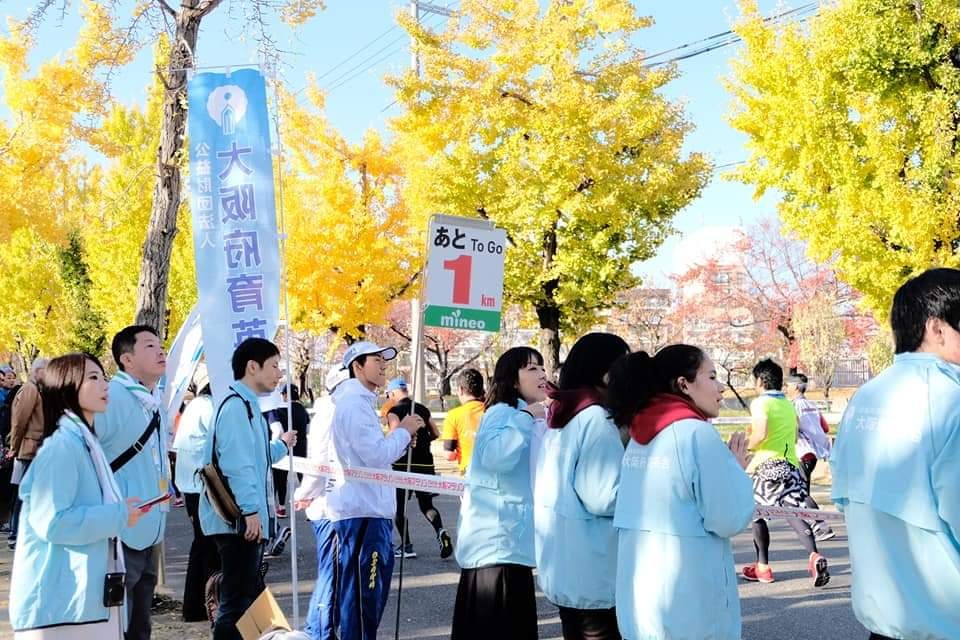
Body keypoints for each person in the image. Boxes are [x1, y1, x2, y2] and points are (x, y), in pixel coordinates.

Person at [832, 268, 960, 640]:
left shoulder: (864, 398)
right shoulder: (951, 400)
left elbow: (844, 496)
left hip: (883, 619)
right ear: (937, 328)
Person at [607, 345, 754, 640]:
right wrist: (735, 472)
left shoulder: (639, 436)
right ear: (683, 384)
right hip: (692, 603)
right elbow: (727, 519)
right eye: (711, 376)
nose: (721, 387)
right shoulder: (697, 434)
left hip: (641, 600)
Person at [9, 353, 144, 639]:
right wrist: (118, 515)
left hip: (80, 602)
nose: (104, 385)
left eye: (103, 377)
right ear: (67, 386)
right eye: (93, 378)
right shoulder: (62, 448)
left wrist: (119, 512)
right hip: (62, 607)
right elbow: (53, 522)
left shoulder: (83, 442)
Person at [199, 338, 297, 640]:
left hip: (242, 520)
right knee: (237, 603)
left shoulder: (246, 405)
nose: (279, 374)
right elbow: (237, 466)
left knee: (248, 599)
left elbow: (255, 457)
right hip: (238, 521)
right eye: (274, 366)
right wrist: (251, 512)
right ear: (252, 367)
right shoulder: (236, 407)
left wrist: (281, 446)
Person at [324, 341, 422, 640]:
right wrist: (403, 431)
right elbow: (376, 455)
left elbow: (376, 453)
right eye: (376, 360)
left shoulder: (359, 401)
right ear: (357, 366)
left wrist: (401, 438)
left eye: (384, 360)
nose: (383, 365)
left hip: (367, 511)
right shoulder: (354, 403)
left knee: (364, 597)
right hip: (363, 512)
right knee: (363, 598)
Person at [534, 333, 629, 640]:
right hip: (593, 571)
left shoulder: (565, 414)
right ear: (606, 375)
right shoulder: (597, 419)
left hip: (565, 565)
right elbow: (603, 497)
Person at [451, 347, 548, 640]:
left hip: (507, 547)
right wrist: (526, 417)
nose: (542, 374)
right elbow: (496, 458)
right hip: (497, 548)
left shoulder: (521, 413)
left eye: (542, 367)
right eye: (532, 368)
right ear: (513, 380)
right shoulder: (504, 412)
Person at [95, 325, 171, 640]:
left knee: (140, 619)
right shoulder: (112, 396)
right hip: (122, 526)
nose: (161, 351)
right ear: (126, 359)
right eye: (150, 346)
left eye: (160, 345)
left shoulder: (152, 398)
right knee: (119, 619)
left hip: (150, 523)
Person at [744, 358, 829, 587]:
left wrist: (747, 446)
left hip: (766, 466)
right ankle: (814, 556)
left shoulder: (761, 403)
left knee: (758, 514)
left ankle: (763, 566)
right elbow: (793, 435)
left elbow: (760, 434)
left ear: (760, 381)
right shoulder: (788, 405)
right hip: (790, 465)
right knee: (794, 513)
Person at [295, 366, 350, 640]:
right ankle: (320, 631)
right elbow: (319, 462)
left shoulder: (341, 409)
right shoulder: (331, 412)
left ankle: (320, 629)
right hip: (329, 506)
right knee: (332, 573)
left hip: (339, 504)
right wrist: (305, 493)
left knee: (334, 573)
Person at [385, 377, 453, 559]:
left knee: (399, 507)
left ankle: (407, 546)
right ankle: (440, 531)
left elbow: (395, 435)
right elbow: (436, 433)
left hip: (403, 465)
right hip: (425, 463)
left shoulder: (394, 411)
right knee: (426, 505)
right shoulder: (422, 409)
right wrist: (423, 441)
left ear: (393, 393)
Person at [171, 378, 221, 622]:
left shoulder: (196, 405)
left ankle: (195, 607)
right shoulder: (210, 407)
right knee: (208, 546)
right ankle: (205, 605)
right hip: (202, 485)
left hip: (191, 484)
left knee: (202, 545)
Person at [785, 373, 835, 542]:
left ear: (795, 387)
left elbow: (792, 428)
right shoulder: (812, 405)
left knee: (801, 492)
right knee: (802, 491)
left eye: (788, 385)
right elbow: (825, 427)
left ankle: (821, 526)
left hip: (801, 452)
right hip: (813, 454)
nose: (785, 388)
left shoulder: (792, 406)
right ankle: (814, 526)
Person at [6, 357, 47, 549]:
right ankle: (15, 533)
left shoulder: (36, 389)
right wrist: (14, 446)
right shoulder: (30, 390)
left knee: (27, 493)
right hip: (27, 448)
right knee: (23, 493)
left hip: (32, 448)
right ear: (38, 371)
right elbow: (19, 421)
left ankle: (19, 532)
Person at [268, 383, 310, 519]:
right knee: (304, 478)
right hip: (301, 447)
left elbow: (277, 431)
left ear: (285, 395)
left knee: (280, 478)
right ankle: (309, 509)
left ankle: (281, 507)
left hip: (284, 448)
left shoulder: (278, 410)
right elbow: (307, 429)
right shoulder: (303, 410)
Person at [440, 368, 485, 475]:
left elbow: (449, 455)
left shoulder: (453, 415)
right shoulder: (493, 411)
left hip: (469, 471)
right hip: (495, 472)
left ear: (460, 389)